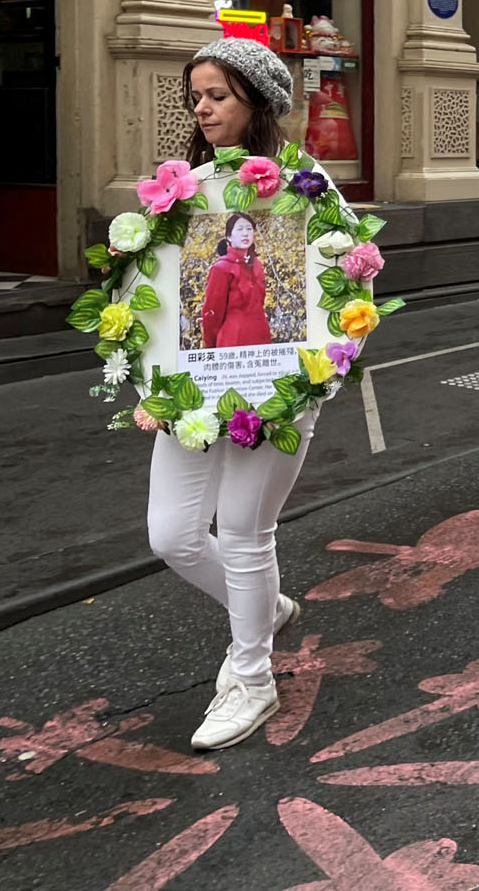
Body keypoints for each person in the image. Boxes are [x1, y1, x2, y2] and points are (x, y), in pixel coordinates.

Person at [147, 39, 324, 751]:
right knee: (172, 535)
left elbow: (345, 278)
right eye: (196, 96)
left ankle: (252, 678)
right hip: (199, 383)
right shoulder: (187, 192)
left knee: (247, 532)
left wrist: (319, 369)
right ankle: (264, 609)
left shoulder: (304, 186)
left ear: (256, 100)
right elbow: (170, 296)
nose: (203, 108)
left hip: (276, 386)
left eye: (217, 95)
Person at [197, 210, 271, 348]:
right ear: (229, 237)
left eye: (249, 229)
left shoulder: (257, 265)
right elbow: (212, 314)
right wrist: (211, 347)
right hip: (233, 339)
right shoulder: (221, 268)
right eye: (240, 229)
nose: (245, 233)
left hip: (261, 337)